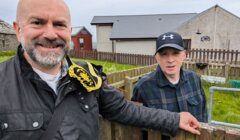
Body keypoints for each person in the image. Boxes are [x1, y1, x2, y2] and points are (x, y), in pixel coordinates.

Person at [0, 0, 200, 139]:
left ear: (69, 32)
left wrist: (174, 118)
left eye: (59, 24)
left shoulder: (86, 75)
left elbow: (123, 109)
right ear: (18, 29)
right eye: (38, 22)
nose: (51, 34)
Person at [132, 32, 207, 139]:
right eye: (164, 54)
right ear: (156, 57)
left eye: (175, 53)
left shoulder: (194, 79)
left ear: (185, 55)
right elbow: (138, 126)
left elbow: (204, 114)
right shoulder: (143, 87)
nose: (170, 60)